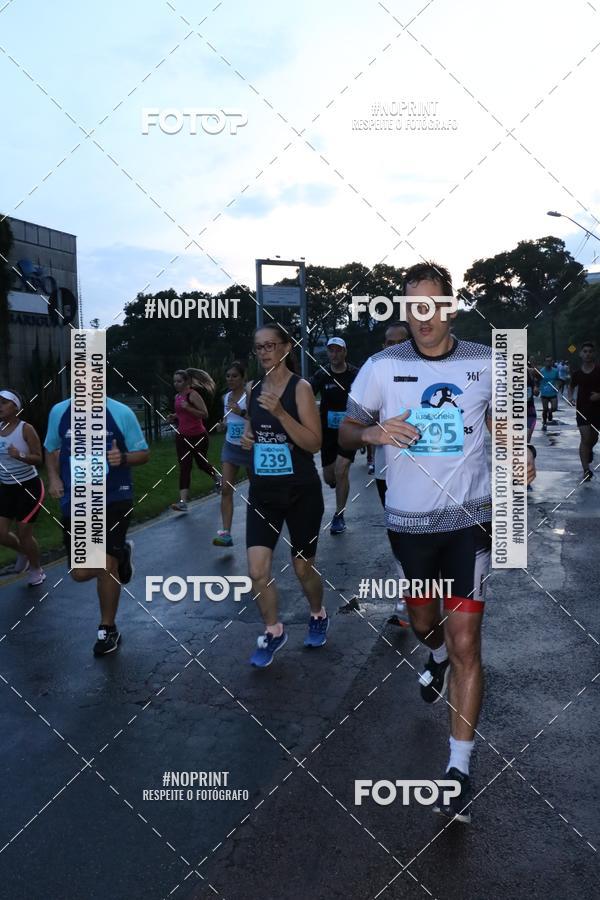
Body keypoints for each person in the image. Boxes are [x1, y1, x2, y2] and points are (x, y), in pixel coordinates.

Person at [340, 261, 536, 823]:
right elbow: (346, 430)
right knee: (427, 623)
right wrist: (372, 431)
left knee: (468, 640)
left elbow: (500, 422)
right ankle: (432, 652)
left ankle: (458, 769)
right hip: (408, 526)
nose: (424, 317)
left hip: (469, 522)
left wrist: (518, 451)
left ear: (450, 307)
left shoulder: (486, 361)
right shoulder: (382, 367)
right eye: (413, 306)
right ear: (405, 310)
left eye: (434, 305)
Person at [241, 324, 326, 668]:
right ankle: (273, 631)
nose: (263, 353)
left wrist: (280, 413)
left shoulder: (300, 389)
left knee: (302, 568)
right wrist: (248, 439)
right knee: (257, 571)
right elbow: (252, 429)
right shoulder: (252, 389)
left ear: (286, 348)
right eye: (258, 347)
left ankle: (318, 614)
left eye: (270, 346)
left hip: (301, 491)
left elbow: (314, 443)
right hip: (263, 491)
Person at [44, 395, 149, 655]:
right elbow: (50, 448)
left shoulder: (120, 412)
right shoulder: (60, 411)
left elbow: (143, 453)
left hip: (114, 496)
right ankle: (122, 553)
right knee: (79, 573)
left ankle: (107, 628)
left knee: (106, 563)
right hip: (77, 499)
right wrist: (54, 477)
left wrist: (123, 458)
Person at [372, 322, 412, 628]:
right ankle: (405, 595)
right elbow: (355, 423)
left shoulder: (429, 372)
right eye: (388, 343)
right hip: (388, 471)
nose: (393, 348)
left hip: (426, 469)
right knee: (398, 533)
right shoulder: (374, 377)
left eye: (400, 342)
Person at [310, 337, 359, 535]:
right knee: (330, 476)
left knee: (341, 471)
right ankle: (334, 483)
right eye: (331, 351)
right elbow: (306, 395)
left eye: (338, 350)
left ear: (345, 352)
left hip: (349, 430)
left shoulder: (355, 374)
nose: (335, 354)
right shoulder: (321, 375)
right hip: (328, 432)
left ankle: (339, 515)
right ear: (328, 353)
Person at [0, 390, 46, 585]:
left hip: (29, 486)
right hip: (6, 487)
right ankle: (23, 552)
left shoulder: (26, 429)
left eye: (3, 403)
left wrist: (20, 455)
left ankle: (36, 570)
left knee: (24, 532)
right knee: (0, 533)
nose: (0, 407)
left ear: (15, 406)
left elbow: (39, 458)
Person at [168, 368, 221, 512]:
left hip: (198, 436)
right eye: (175, 381)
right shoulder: (177, 397)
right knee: (185, 467)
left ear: (187, 382)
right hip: (182, 436)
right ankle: (183, 502)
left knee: (201, 463)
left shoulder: (193, 395)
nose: (176, 384)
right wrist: (175, 416)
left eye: (179, 381)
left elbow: (204, 415)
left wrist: (188, 408)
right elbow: (182, 414)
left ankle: (217, 478)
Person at [213, 362, 251, 546]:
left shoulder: (249, 396)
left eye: (234, 376)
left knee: (258, 490)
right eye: (228, 376)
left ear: (243, 378)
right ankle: (226, 533)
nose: (230, 379)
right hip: (230, 446)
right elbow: (229, 420)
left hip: (249, 446)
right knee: (226, 489)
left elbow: (257, 419)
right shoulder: (225, 397)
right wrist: (223, 425)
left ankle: (263, 523)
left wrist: (241, 411)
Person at [568, 341, 600, 482]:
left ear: (594, 354)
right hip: (582, 410)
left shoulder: (599, 370)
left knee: (593, 438)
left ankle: (589, 451)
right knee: (585, 438)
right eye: (585, 351)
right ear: (581, 354)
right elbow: (571, 386)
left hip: (597, 410)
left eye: (590, 351)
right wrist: (570, 397)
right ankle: (586, 470)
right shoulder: (577, 373)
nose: (587, 354)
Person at [538, 356, 559, 430]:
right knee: (545, 409)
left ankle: (550, 412)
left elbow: (558, 380)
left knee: (554, 408)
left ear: (552, 362)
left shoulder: (555, 371)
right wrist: (537, 388)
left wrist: (558, 386)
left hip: (553, 393)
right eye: (547, 361)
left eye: (550, 361)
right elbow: (537, 381)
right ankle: (544, 422)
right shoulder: (541, 371)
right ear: (544, 362)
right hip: (544, 393)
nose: (548, 363)